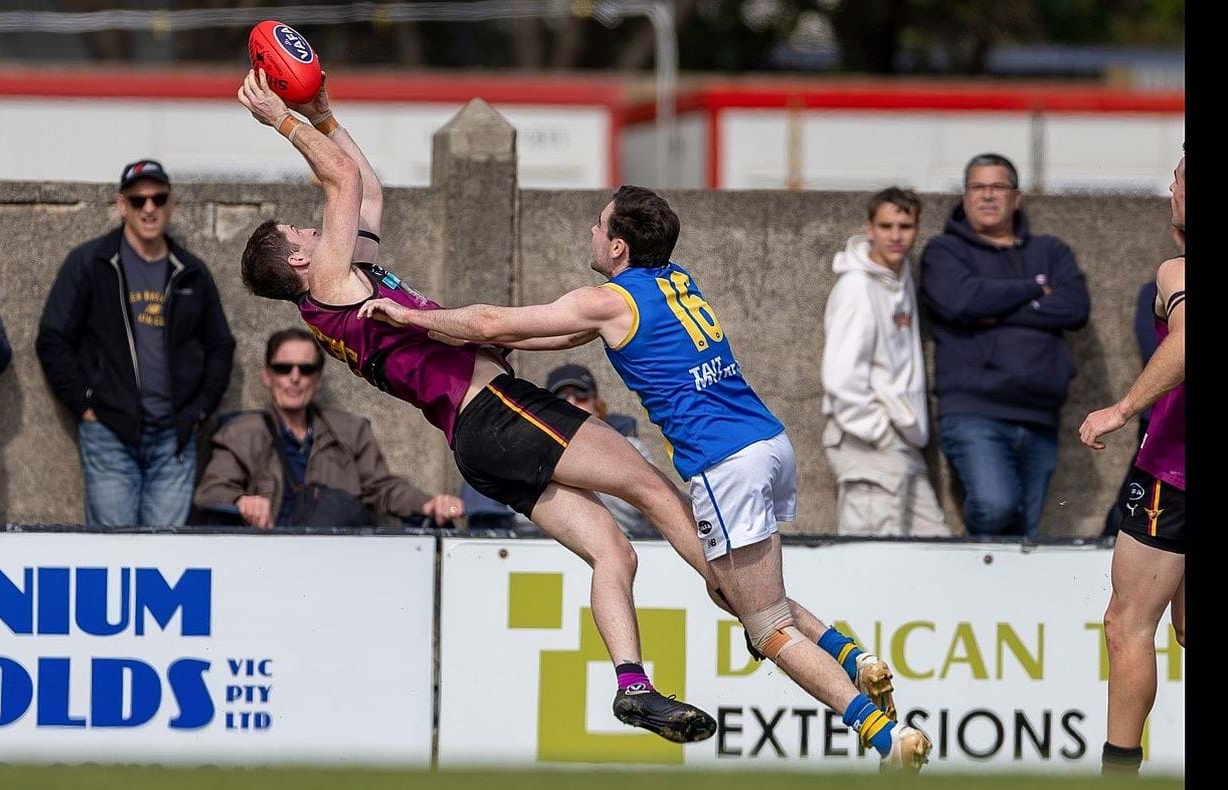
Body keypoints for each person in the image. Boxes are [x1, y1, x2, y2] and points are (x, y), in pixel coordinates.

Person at [361, 185, 933, 771]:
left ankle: (885, 737)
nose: (590, 232)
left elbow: (493, 319)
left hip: (725, 463)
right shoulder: (675, 279)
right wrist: (483, 338)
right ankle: (852, 656)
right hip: (769, 442)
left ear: (617, 246)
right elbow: (550, 334)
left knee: (766, 629)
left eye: (598, 225)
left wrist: (409, 316)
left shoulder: (610, 300)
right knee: (736, 588)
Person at [232, 68, 715, 743]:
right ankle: (745, 603)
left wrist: (324, 113)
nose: (312, 228)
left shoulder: (344, 285)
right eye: (299, 231)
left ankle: (633, 687)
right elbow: (340, 179)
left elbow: (369, 188)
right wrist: (283, 120)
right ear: (296, 261)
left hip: (479, 442)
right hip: (496, 410)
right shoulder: (331, 284)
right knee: (651, 487)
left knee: (614, 551)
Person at [36, 158, 236, 527]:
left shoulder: (191, 271)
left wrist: (197, 414)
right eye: (138, 200)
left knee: (166, 551)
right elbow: (53, 338)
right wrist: (86, 406)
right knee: (114, 548)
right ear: (121, 205)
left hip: (174, 438)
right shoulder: (91, 263)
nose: (148, 208)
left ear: (171, 203)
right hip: (109, 433)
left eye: (158, 199)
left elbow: (220, 345)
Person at [1078, 149, 1185, 776]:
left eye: (1180, 177)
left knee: (1128, 625)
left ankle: (1117, 777)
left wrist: (1122, 409)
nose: (1172, 187)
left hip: (1175, 473)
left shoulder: (1177, 271)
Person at [919, 152, 1090, 538]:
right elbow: (961, 301)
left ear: (1016, 197)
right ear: (965, 196)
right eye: (977, 187)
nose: (987, 195)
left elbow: (1075, 307)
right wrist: (1035, 289)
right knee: (995, 506)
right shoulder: (945, 251)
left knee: (1024, 532)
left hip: (1039, 414)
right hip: (974, 410)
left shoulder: (1051, 251)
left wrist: (995, 307)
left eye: (998, 186)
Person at [193, 328, 465, 529]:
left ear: (318, 378)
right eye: (284, 368)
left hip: (336, 557)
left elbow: (382, 488)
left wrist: (428, 504)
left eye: (306, 369)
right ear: (268, 375)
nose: (295, 378)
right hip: (267, 555)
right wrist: (241, 501)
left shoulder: (350, 430)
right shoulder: (240, 432)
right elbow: (210, 492)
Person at [821, 187, 948, 537]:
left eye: (905, 226)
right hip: (868, 440)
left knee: (936, 546)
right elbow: (840, 375)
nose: (895, 236)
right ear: (869, 229)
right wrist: (879, 431)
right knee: (871, 555)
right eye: (886, 226)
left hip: (903, 442)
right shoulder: (857, 287)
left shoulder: (899, 277)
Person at [545, 363, 657, 538]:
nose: (571, 403)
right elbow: (521, 519)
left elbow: (653, 503)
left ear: (596, 405)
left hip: (630, 540)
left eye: (581, 395)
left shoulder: (631, 449)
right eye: (560, 398)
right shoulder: (536, 455)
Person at [1102, 280, 1160, 537]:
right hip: (1164, 422)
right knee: (1132, 506)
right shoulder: (1162, 284)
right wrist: (1123, 410)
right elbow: (1157, 353)